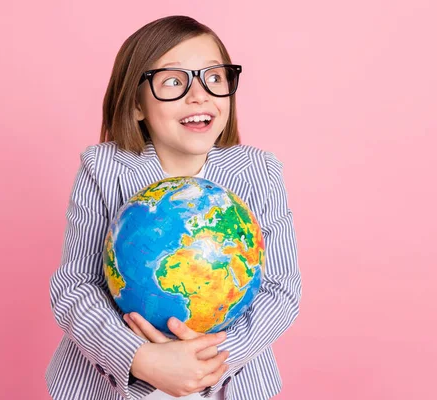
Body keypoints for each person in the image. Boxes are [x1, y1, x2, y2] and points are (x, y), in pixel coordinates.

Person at [45, 15, 302, 400]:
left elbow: (282, 290)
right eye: (173, 81)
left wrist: (209, 361)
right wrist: (140, 359)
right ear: (136, 105)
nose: (199, 94)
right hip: (112, 384)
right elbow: (75, 287)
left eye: (214, 78)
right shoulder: (104, 168)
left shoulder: (259, 172)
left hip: (225, 381)